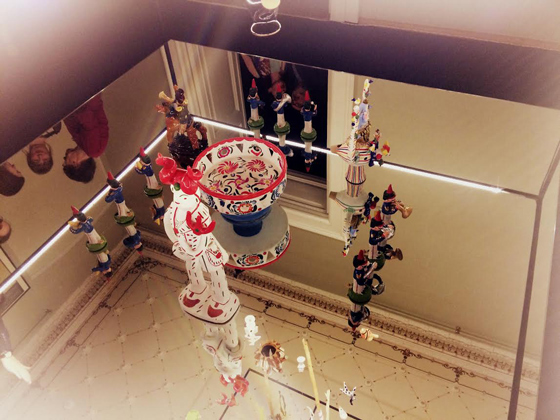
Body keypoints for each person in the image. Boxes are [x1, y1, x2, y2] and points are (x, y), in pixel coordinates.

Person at [63, 95, 109, 183]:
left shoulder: (82, 144)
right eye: (66, 160)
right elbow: (87, 118)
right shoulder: (94, 150)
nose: (65, 156)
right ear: (75, 163)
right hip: (84, 97)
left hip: (80, 99)